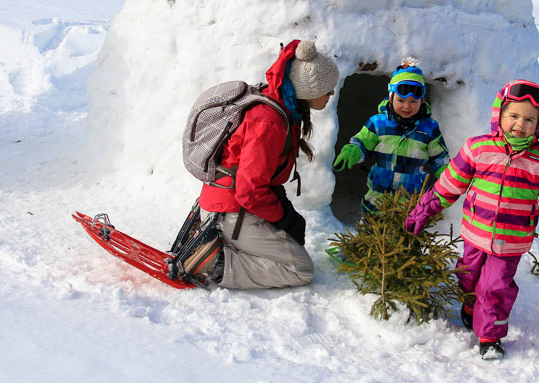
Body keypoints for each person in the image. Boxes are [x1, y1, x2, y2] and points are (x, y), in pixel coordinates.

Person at [404, 80, 539, 359]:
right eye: (514, 116)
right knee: (467, 278)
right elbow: (450, 184)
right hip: (475, 233)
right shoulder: (478, 149)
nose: (520, 124)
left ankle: (490, 336)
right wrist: (426, 208)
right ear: (499, 115)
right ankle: (471, 307)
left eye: (529, 119)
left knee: (495, 287)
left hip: (511, 242)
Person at [177, 39, 338, 289]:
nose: (332, 95)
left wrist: (282, 211)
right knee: (300, 269)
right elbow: (249, 191)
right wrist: (283, 216)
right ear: (309, 90)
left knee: (292, 243)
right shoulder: (270, 122)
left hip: (226, 203)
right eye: (328, 89)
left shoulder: (279, 106)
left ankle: (223, 242)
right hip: (231, 210)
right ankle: (213, 262)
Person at [332, 58, 449, 217]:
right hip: (379, 195)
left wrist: (447, 174)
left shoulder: (429, 129)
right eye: (401, 100)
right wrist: (353, 151)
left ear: (422, 101)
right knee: (373, 229)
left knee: (406, 235)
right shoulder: (378, 124)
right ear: (391, 97)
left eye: (413, 101)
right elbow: (363, 142)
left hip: (411, 199)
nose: (407, 106)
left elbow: (440, 157)